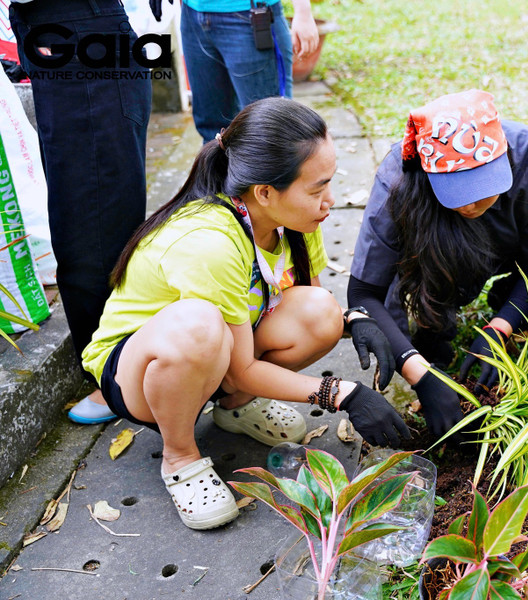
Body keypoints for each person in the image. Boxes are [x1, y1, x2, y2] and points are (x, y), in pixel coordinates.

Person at [81, 97, 408, 530]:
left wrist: (356, 321)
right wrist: (341, 393)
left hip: (220, 353)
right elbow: (239, 366)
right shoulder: (210, 241)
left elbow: (302, 305)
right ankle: (180, 457)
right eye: (316, 188)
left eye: (330, 183)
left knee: (321, 313)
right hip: (143, 373)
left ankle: (234, 409)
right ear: (265, 192)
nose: (330, 200)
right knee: (198, 325)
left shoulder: (290, 223)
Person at [348, 90, 528, 439]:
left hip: (512, 246)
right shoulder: (399, 176)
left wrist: (499, 328)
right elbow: (365, 291)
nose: (472, 203)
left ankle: (507, 297)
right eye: (458, 191)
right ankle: (437, 316)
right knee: (421, 331)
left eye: (485, 186)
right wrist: (418, 372)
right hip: (438, 254)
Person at [9, 0, 152, 425]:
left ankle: (116, 381)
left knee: (91, 222)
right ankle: (123, 367)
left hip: (75, 31)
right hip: (70, 32)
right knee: (96, 213)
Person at [150, 0, 320, 144]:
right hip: (193, 14)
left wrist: (303, 11)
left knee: (271, 132)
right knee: (213, 133)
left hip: (250, 15)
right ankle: (222, 183)